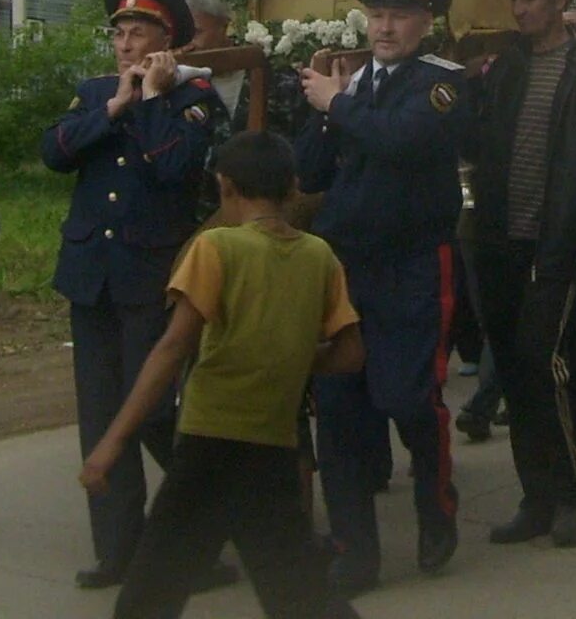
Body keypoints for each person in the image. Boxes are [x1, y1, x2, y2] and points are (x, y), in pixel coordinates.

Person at [81, 131, 366, 619]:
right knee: (299, 593)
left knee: (149, 593)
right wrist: (290, 354)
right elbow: (349, 355)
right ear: (293, 187)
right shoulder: (319, 256)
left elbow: (172, 349)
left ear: (225, 187)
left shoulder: (215, 247)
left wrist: (112, 441)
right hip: (273, 442)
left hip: (208, 439)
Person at [295, 0, 471, 595]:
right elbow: (309, 173)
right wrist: (320, 109)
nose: (386, 26)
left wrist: (337, 105)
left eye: (401, 14)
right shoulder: (352, 84)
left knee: (406, 396)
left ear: (426, 21)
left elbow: (400, 141)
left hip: (413, 266)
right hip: (346, 268)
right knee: (338, 412)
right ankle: (354, 551)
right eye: (377, 12)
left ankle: (436, 504)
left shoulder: (443, 83)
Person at [44, 0, 226, 589]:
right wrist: (114, 108)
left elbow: (176, 168)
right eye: (119, 33)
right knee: (99, 415)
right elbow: (55, 151)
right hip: (91, 273)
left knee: (152, 414)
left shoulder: (192, 93)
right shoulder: (95, 91)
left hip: (152, 274)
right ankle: (118, 549)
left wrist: (150, 99)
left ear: (166, 39)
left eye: (138, 32)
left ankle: (197, 537)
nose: (125, 44)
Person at [465, 0, 576, 548]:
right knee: (512, 370)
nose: (520, 9)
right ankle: (534, 496)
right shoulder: (505, 67)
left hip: (559, 247)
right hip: (501, 241)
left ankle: (569, 494)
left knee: (547, 364)